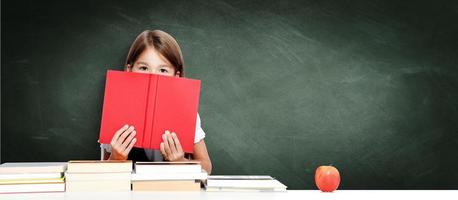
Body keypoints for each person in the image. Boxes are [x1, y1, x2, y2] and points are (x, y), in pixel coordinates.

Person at [101, 30, 212, 174]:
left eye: (163, 70)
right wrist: (116, 157)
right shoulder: (115, 112)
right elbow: (102, 171)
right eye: (143, 68)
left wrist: (180, 162)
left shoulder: (186, 114)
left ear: (176, 76)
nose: (153, 76)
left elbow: (206, 167)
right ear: (129, 69)